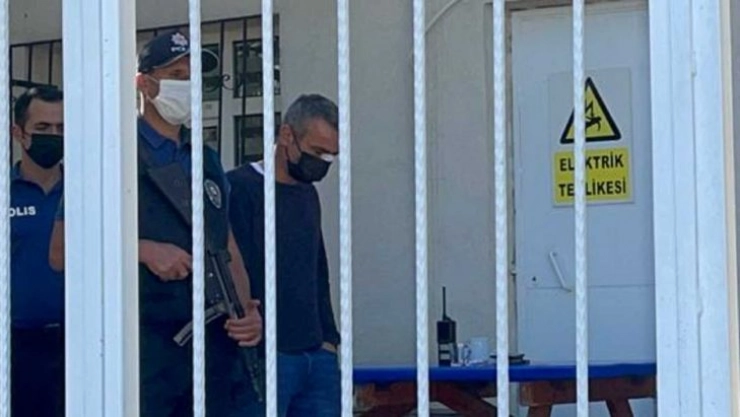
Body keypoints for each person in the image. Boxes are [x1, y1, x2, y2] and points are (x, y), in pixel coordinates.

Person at [49, 30, 263, 416]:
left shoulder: (205, 158)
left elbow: (225, 245)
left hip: (211, 349)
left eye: (193, 78)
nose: (188, 86)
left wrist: (245, 312)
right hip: (140, 350)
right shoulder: (110, 153)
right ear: (144, 84)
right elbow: (62, 252)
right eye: (177, 76)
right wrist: (141, 250)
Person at [228, 94, 341, 416]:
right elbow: (228, 266)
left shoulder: (307, 194)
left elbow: (317, 269)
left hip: (315, 353)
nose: (323, 163)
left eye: (331, 155)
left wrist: (328, 341)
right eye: (317, 152)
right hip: (262, 356)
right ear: (287, 135)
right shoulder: (239, 188)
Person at [11, 86, 65, 417]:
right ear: (18, 133)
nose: (54, 136)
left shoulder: (86, 192)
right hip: (17, 347)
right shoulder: (6, 194)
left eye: (61, 128)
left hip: (79, 342)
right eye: (43, 128)